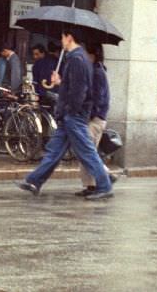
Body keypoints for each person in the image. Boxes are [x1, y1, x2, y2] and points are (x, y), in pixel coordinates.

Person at [17, 27, 113, 200]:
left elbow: (79, 91)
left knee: (86, 151)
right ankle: (34, 181)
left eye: (62, 37)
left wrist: (71, 111)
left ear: (69, 38)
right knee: (54, 151)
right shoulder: (77, 58)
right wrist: (60, 82)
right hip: (70, 115)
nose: (61, 41)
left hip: (73, 115)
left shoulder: (77, 59)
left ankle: (104, 185)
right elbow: (73, 87)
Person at [75, 42, 115, 196]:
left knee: (87, 152)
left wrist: (90, 115)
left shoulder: (97, 73)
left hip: (95, 119)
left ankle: (105, 178)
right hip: (90, 117)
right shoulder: (92, 71)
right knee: (85, 151)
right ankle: (90, 185)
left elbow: (98, 99)